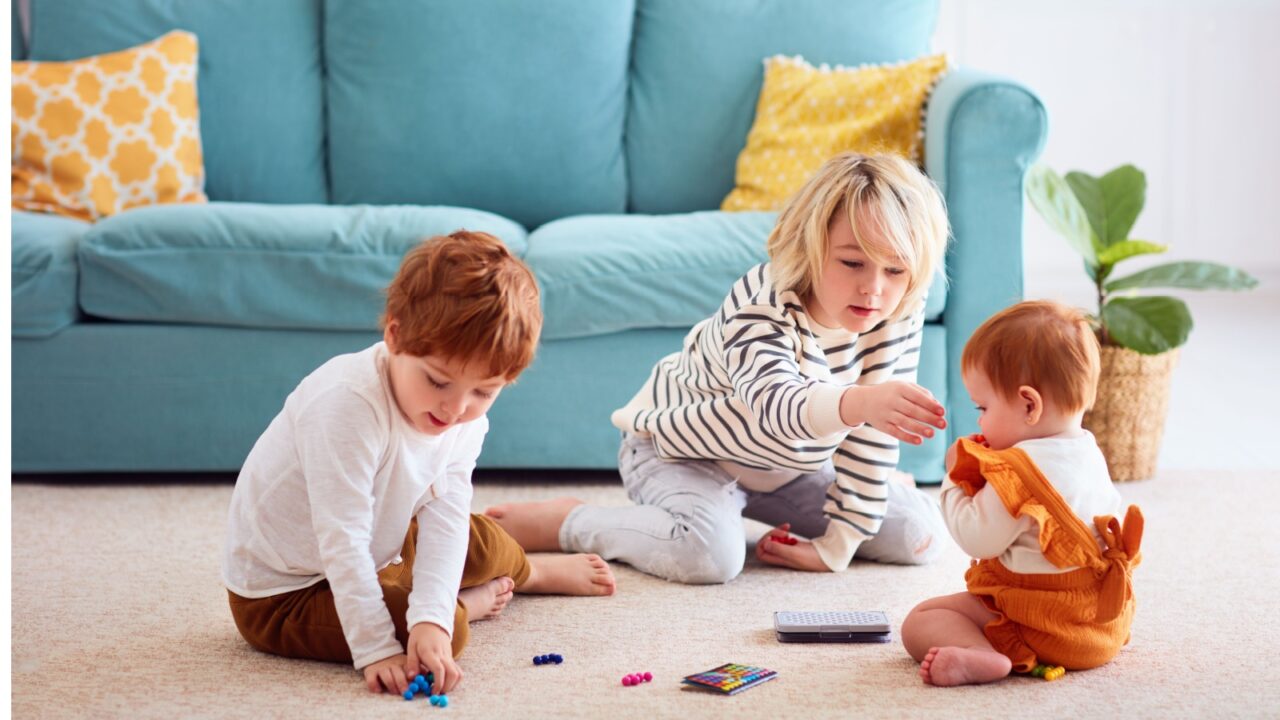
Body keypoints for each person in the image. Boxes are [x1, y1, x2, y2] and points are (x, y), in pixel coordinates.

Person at [486, 152, 952, 583]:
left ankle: (756, 508)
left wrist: (840, 543)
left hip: (787, 468)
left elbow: (873, 430)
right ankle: (572, 521)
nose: (873, 288)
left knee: (919, 533)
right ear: (811, 246)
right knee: (709, 558)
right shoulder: (761, 304)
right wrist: (864, 403)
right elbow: (780, 409)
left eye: (895, 270)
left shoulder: (896, 308)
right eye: (852, 262)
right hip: (682, 450)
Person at [222, 231, 616, 698]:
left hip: (381, 552)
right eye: (438, 381)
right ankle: (464, 603)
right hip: (287, 592)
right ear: (395, 337)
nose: (455, 409)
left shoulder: (464, 418)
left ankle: (532, 574)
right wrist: (380, 648)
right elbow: (342, 541)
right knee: (448, 632)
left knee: (485, 541)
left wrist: (427, 615)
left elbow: (446, 515)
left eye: (483, 392)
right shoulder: (347, 406)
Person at [901, 300, 1144, 686]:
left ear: (1029, 404)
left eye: (983, 407)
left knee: (921, 620)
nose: (978, 420)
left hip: (1043, 627)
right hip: (1099, 628)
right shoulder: (1087, 450)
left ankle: (983, 656)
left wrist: (955, 478)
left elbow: (977, 538)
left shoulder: (1017, 470)